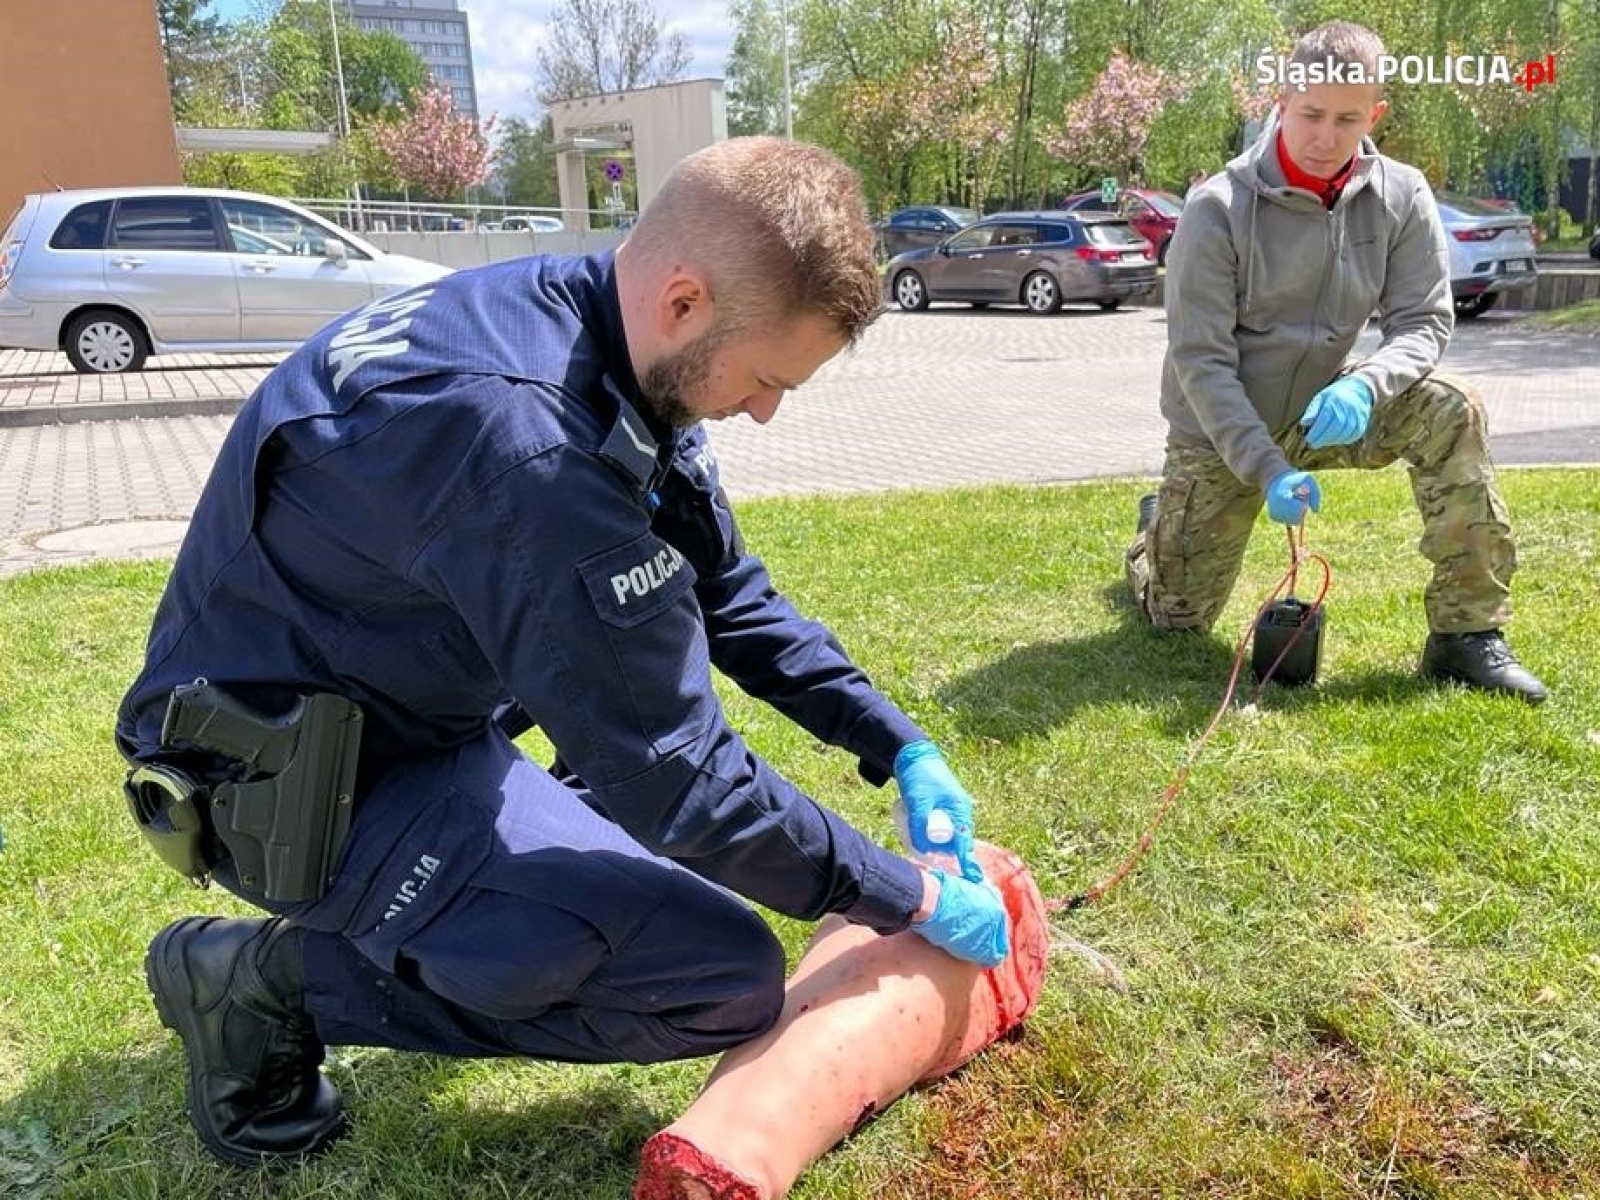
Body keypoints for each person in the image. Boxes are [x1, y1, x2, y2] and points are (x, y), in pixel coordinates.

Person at [117, 137, 1037, 1189]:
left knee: (624, 832)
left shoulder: (598, 332)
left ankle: (478, 878)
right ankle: (260, 979)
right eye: (768, 377)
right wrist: (905, 900)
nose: (767, 409)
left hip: (400, 714)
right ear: (685, 300)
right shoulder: (528, 446)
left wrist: (896, 743)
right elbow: (681, 782)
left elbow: (726, 592)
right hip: (286, 782)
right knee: (714, 980)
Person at [1125, 20, 1547, 704]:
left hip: (1331, 409)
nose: (1325, 138)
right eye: (1311, 114)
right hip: (1224, 429)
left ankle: (1466, 636)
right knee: (1176, 619)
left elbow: (1424, 321)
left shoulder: (1402, 195)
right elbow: (1202, 362)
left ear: (1374, 113)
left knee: (1452, 407)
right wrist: (1266, 468)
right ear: (1282, 100)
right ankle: (1155, 533)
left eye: (1347, 119)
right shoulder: (1216, 209)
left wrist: (1369, 388)